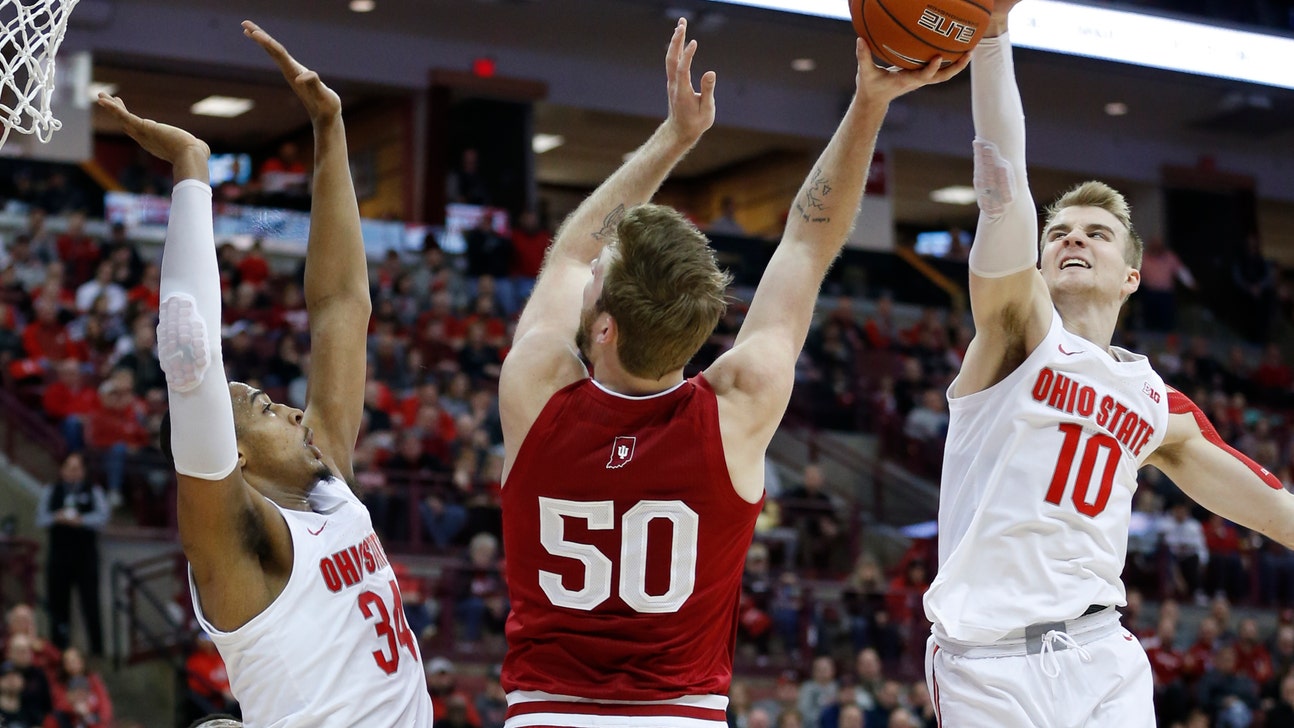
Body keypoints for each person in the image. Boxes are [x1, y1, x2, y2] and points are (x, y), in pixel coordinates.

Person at [497, 17, 964, 728]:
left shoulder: (536, 388)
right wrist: (871, 101)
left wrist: (675, 138)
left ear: (603, 328)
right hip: (682, 715)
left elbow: (565, 254)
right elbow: (807, 247)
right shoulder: (737, 408)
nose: (590, 272)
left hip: (546, 712)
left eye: (603, 277)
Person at [922, 2, 1294, 725]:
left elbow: (1272, 506)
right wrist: (993, 38)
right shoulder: (1016, 333)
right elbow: (1002, 190)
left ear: (1132, 275)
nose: (1073, 240)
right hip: (985, 662)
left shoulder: (1158, 405)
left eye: (1097, 233)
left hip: (1101, 654)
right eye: (1059, 232)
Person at [94, 20, 431, 727]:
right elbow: (192, 366)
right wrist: (192, 169)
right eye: (265, 408)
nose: (292, 411)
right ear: (234, 451)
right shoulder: (238, 547)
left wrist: (330, 128)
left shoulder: (326, 478)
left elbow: (341, 306)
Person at [35, 453, 109, 655]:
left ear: (83, 471)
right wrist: (55, 517)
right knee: (57, 605)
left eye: (76, 469)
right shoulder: (52, 490)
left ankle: (96, 651)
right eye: (68, 468)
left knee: (90, 604)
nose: (72, 473)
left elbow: (103, 518)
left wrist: (82, 521)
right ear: (62, 470)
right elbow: (40, 518)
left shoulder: (93, 490)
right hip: (59, 557)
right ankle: (58, 651)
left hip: (85, 558)